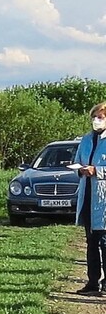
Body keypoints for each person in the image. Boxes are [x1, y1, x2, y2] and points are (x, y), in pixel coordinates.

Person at [75, 101, 106, 296]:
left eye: (100, 117)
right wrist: (80, 170)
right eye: (94, 117)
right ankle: (92, 283)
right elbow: (78, 161)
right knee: (91, 242)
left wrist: (97, 171)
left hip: (104, 201)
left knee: (105, 242)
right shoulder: (86, 140)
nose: (96, 120)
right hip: (87, 197)